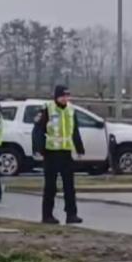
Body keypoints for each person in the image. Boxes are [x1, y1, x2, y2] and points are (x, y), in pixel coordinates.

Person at [32, 85, 84, 224]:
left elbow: (75, 131)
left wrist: (79, 148)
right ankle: (47, 215)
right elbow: (37, 130)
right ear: (56, 96)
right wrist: (39, 149)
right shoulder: (47, 109)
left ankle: (71, 214)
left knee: (69, 186)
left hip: (66, 153)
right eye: (63, 96)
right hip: (51, 153)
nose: (66, 98)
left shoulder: (70, 110)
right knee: (50, 186)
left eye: (67, 96)